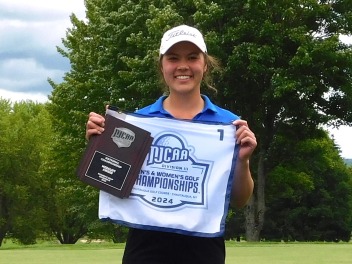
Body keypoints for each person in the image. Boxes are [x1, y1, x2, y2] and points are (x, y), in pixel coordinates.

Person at [86, 25, 257, 264]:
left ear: (205, 64)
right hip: (145, 251)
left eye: (192, 57)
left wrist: (243, 160)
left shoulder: (229, 125)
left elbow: (239, 200)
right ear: (162, 66)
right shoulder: (138, 123)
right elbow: (112, 182)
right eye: (173, 58)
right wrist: (100, 146)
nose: (183, 66)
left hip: (204, 253)